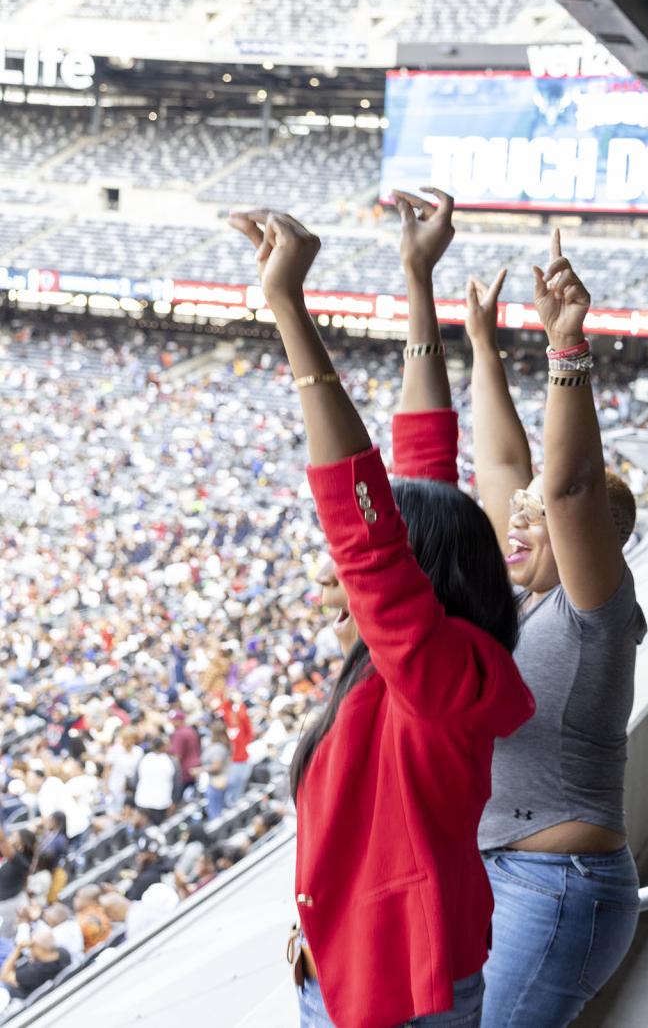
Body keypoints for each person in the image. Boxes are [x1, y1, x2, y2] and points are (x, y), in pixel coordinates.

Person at [226, 206, 534, 1028]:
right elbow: (421, 467)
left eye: (357, 571)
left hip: (389, 993)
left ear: (418, 577)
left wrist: (289, 307)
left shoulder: (434, 675)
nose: (336, 580)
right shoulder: (440, 662)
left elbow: (367, 526)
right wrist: (418, 281)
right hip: (366, 966)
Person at [461, 232, 648, 1027]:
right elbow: (505, 466)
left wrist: (565, 343)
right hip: (518, 876)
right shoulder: (530, 599)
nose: (519, 523)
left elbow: (567, 488)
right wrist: (481, 345)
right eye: (522, 517)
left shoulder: (594, 609)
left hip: (558, 883)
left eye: (538, 521)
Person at [1, 925, 65, 999]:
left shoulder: (32, 972)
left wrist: (18, 948)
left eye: (31, 946)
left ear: (40, 948)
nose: (30, 949)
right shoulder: (63, 953)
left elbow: (4, 975)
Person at [219, 693, 254, 806]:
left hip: (242, 760)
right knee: (230, 787)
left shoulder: (241, 726)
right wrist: (228, 698)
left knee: (240, 786)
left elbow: (245, 720)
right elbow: (224, 708)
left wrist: (239, 703)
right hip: (231, 762)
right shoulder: (227, 728)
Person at [132, 738, 176, 824]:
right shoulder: (171, 761)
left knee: (143, 829)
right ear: (163, 747)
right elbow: (177, 784)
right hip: (161, 802)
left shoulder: (144, 759)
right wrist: (174, 801)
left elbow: (134, 780)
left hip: (143, 800)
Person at [169, 710, 201, 803]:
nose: (172, 722)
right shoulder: (190, 730)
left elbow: (177, 756)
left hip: (185, 771)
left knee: (178, 800)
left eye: (174, 720)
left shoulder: (179, 734)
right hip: (196, 766)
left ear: (180, 720)